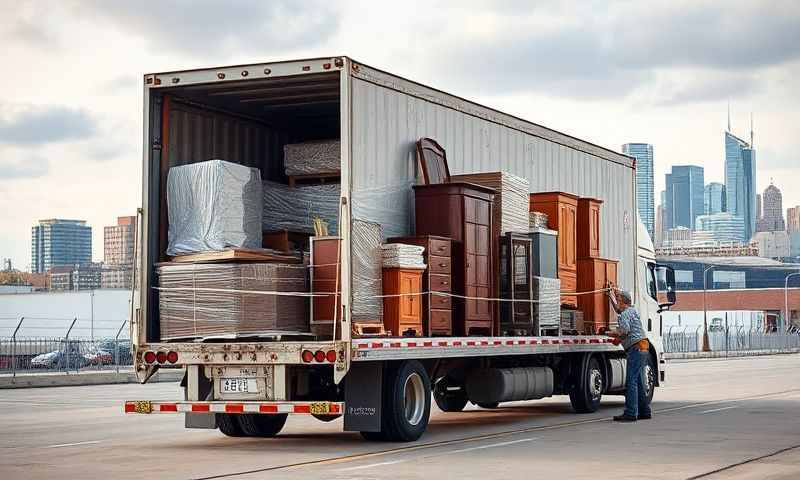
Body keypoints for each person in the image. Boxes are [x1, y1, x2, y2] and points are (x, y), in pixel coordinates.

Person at [607, 288, 651, 422]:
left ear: (624, 302)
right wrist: (611, 297)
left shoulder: (625, 313)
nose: (618, 303)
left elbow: (624, 330)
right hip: (643, 347)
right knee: (638, 381)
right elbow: (621, 314)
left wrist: (610, 333)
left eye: (619, 301)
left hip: (636, 349)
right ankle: (645, 411)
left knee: (631, 381)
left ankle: (631, 413)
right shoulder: (632, 311)